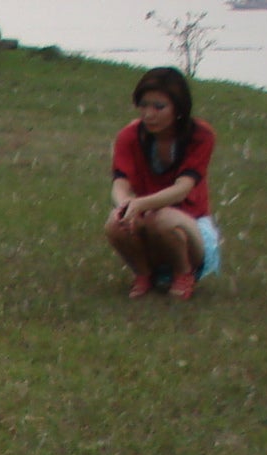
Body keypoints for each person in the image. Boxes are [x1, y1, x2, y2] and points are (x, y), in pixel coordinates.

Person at [106, 68, 220, 301]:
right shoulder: (129, 136)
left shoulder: (200, 135)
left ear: (179, 108)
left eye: (159, 107)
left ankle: (184, 273)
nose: (149, 114)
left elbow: (183, 189)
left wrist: (140, 204)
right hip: (147, 216)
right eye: (144, 105)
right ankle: (143, 275)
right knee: (114, 223)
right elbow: (120, 183)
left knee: (163, 219)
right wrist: (126, 207)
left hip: (190, 222)